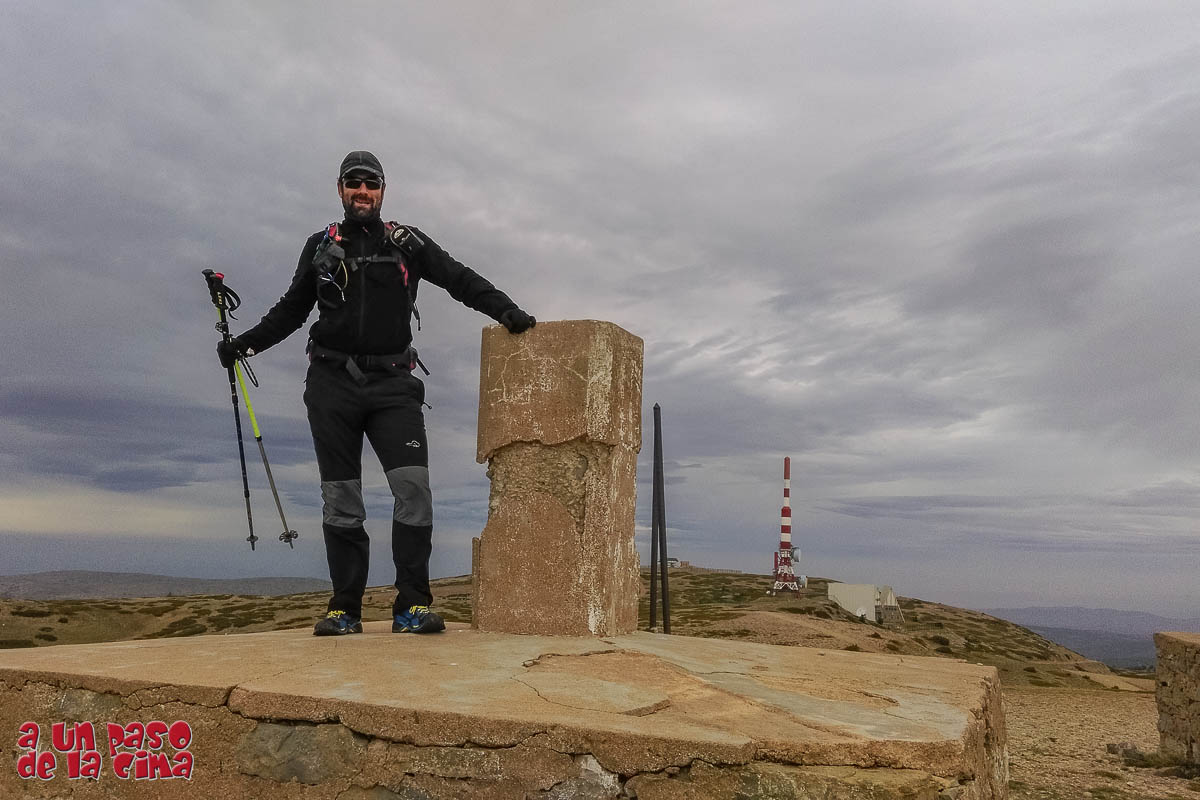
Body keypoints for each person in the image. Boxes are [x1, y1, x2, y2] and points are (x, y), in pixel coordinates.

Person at [217, 150, 535, 636]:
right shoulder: (320, 245)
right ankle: (344, 609)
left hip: (393, 385)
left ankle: (412, 606)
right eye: (354, 183)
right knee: (341, 498)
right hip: (331, 383)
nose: (362, 191)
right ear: (340, 189)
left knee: (414, 491)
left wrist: (506, 311)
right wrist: (244, 345)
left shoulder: (407, 242)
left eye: (371, 183)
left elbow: (459, 279)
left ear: (383, 191)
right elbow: (292, 309)